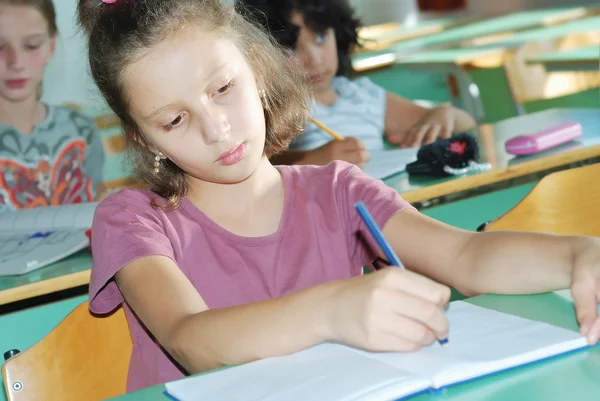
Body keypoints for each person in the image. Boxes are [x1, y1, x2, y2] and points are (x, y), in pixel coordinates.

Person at [79, 0, 600, 393]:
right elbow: (191, 339)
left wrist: (578, 254)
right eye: (174, 120)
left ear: (256, 70)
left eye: (223, 89)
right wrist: (332, 310)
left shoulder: (336, 190)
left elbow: (466, 255)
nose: (217, 130)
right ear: (145, 138)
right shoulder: (133, 221)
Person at [239, 0, 476, 167]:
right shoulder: (270, 107)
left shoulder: (361, 96)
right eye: (289, 47)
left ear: (338, 33)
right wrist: (308, 159)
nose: (313, 58)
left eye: (320, 37)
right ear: (260, 55)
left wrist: (443, 114)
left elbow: (467, 125)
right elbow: (255, 164)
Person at [0, 0, 106, 211]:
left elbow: (96, 196)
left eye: (32, 45)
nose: (16, 62)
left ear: (52, 47)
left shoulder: (80, 130)